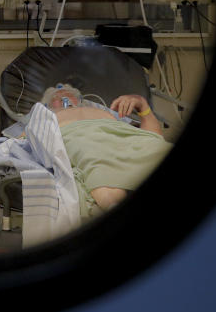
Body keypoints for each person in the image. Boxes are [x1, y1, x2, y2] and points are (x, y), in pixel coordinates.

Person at [39, 83, 170, 217]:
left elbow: (154, 137)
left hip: (123, 136)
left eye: (68, 94)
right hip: (83, 139)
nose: (62, 95)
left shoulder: (101, 111)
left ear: (78, 100)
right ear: (47, 105)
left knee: (156, 147)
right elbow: (25, 140)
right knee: (97, 162)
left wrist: (142, 104)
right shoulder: (45, 118)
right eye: (56, 96)